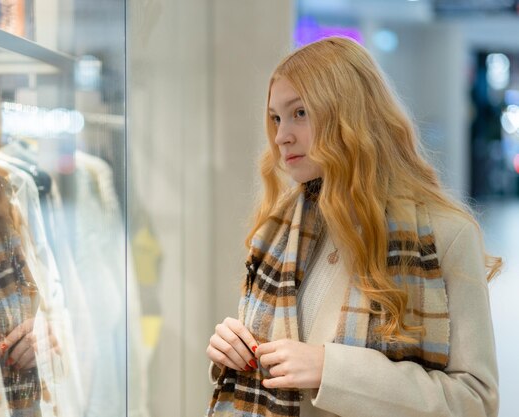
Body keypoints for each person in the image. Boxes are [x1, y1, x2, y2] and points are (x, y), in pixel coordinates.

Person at [205, 36, 501, 417]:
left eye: (300, 113)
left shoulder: (445, 234)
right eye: (276, 118)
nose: (281, 136)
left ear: (349, 113)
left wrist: (330, 370)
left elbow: (476, 401)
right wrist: (233, 351)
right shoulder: (278, 231)